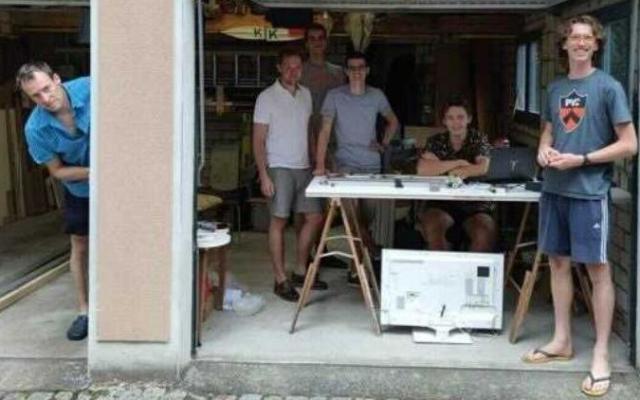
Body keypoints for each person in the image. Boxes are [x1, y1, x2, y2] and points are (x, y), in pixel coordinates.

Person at [521, 15, 637, 397]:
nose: (582, 43)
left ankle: (601, 354)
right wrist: (542, 148)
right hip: (554, 188)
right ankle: (562, 340)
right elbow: (551, 128)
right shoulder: (555, 88)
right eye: (575, 38)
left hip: (588, 191)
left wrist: (583, 159)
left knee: (598, 270)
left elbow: (629, 144)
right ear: (566, 44)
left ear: (597, 44)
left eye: (588, 38)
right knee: (557, 263)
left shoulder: (609, 87)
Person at [16, 62, 90, 341]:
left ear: (57, 79)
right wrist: (95, 173)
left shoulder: (91, 87)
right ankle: (85, 312)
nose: (45, 98)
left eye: (47, 88)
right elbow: (57, 171)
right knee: (80, 244)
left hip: (121, 182)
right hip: (81, 186)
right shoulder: (35, 128)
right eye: (36, 95)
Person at [314, 51, 399, 281]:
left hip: (371, 166)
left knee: (364, 220)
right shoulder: (334, 96)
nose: (356, 71)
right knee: (353, 217)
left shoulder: (376, 96)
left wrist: (383, 143)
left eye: (360, 67)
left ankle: (356, 268)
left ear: (367, 70)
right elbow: (324, 131)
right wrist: (320, 165)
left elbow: (393, 120)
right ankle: (374, 252)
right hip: (345, 166)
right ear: (346, 71)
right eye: (352, 67)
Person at [253, 47, 324, 302]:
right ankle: (280, 279)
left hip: (304, 166)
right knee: (279, 221)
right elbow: (258, 140)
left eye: (298, 67)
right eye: (289, 67)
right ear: (279, 68)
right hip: (279, 167)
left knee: (315, 217)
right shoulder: (266, 97)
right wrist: (263, 174)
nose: (294, 71)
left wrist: (318, 160)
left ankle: (301, 269)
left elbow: (310, 132)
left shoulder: (306, 95)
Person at [416, 97, 496, 252]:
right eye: (450, 118)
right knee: (434, 230)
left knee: (485, 234)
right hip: (441, 202)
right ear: (444, 121)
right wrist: (458, 162)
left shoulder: (478, 139)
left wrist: (449, 169)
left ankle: (470, 275)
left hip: (475, 205)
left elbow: (483, 167)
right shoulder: (436, 141)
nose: (455, 123)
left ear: (469, 119)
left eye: (460, 117)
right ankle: (443, 274)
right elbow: (422, 169)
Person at [300, 23, 346, 272]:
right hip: (304, 141)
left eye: (321, 38)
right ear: (307, 42)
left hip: (334, 142)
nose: (317, 42)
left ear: (326, 42)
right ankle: (305, 256)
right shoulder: (301, 71)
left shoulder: (338, 72)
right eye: (312, 38)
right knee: (307, 204)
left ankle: (322, 250)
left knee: (330, 202)